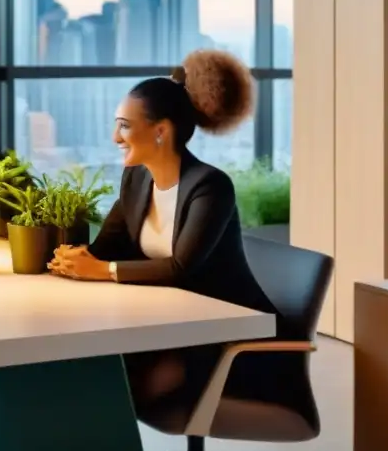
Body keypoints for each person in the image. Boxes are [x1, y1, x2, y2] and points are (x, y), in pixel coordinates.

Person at [47, 49, 277, 407]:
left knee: (113, 381)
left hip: (232, 341)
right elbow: (109, 242)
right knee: (82, 365)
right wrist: (77, 259)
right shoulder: (137, 178)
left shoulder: (210, 187)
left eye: (124, 125)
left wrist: (103, 270)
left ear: (160, 131)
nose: (115, 137)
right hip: (174, 324)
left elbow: (183, 267)